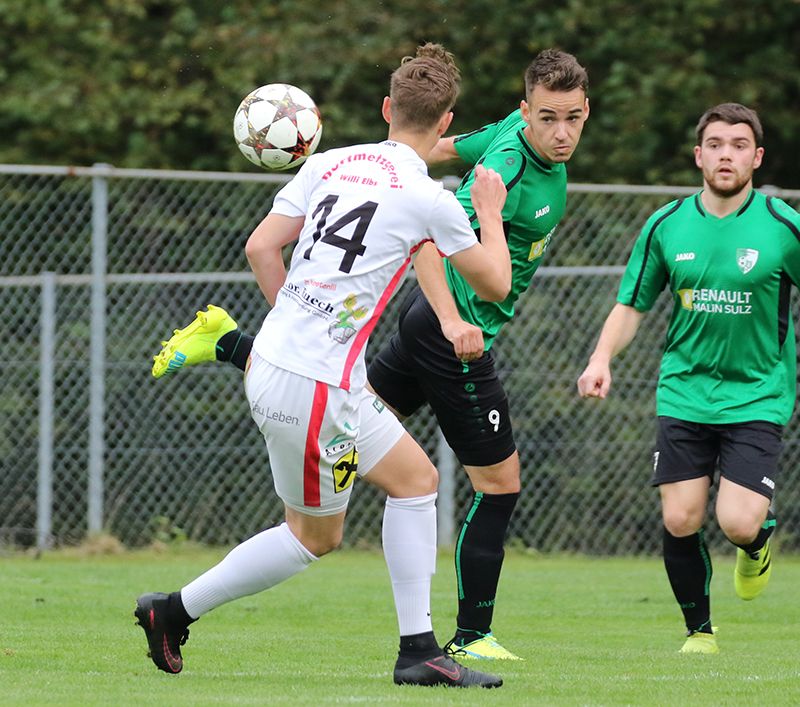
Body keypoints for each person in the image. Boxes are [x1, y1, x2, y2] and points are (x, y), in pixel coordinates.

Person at [152, 49, 590, 661]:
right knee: (312, 538)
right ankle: (172, 610)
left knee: (416, 481)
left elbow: (259, 248)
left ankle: (420, 651)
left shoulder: (330, 161)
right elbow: (494, 282)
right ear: (446, 122)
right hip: (315, 386)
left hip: (308, 367)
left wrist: (295, 323)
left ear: (387, 109)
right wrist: (490, 215)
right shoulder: (429, 197)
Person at [577, 103, 800, 654]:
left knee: (738, 523)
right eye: (716, 144)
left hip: (757, 393)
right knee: (681, 518)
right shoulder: (666, 225)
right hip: (684, 391)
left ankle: (757, 544)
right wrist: (601, 358)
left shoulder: (782, 226)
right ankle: (699, 632)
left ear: (757, 157)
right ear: (699, 156)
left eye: (739, 145)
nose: (727, 155)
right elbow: (631, 304)